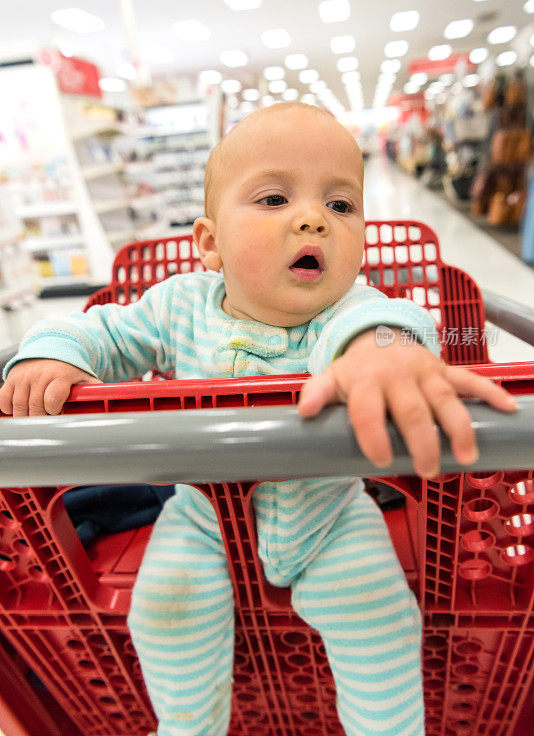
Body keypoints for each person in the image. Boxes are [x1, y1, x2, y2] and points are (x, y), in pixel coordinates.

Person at [0, 103, 516, 736]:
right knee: (163, 609)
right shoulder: (177, 306)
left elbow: (385, 327)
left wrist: (386, 360)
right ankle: (190, 727)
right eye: (274, 199)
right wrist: (54, 355)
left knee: (380, 616)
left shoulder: (348, 309)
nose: (312, 219)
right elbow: (99, 329)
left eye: (340, 206)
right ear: (210, 244)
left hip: (330, 517)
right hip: (201, 517)